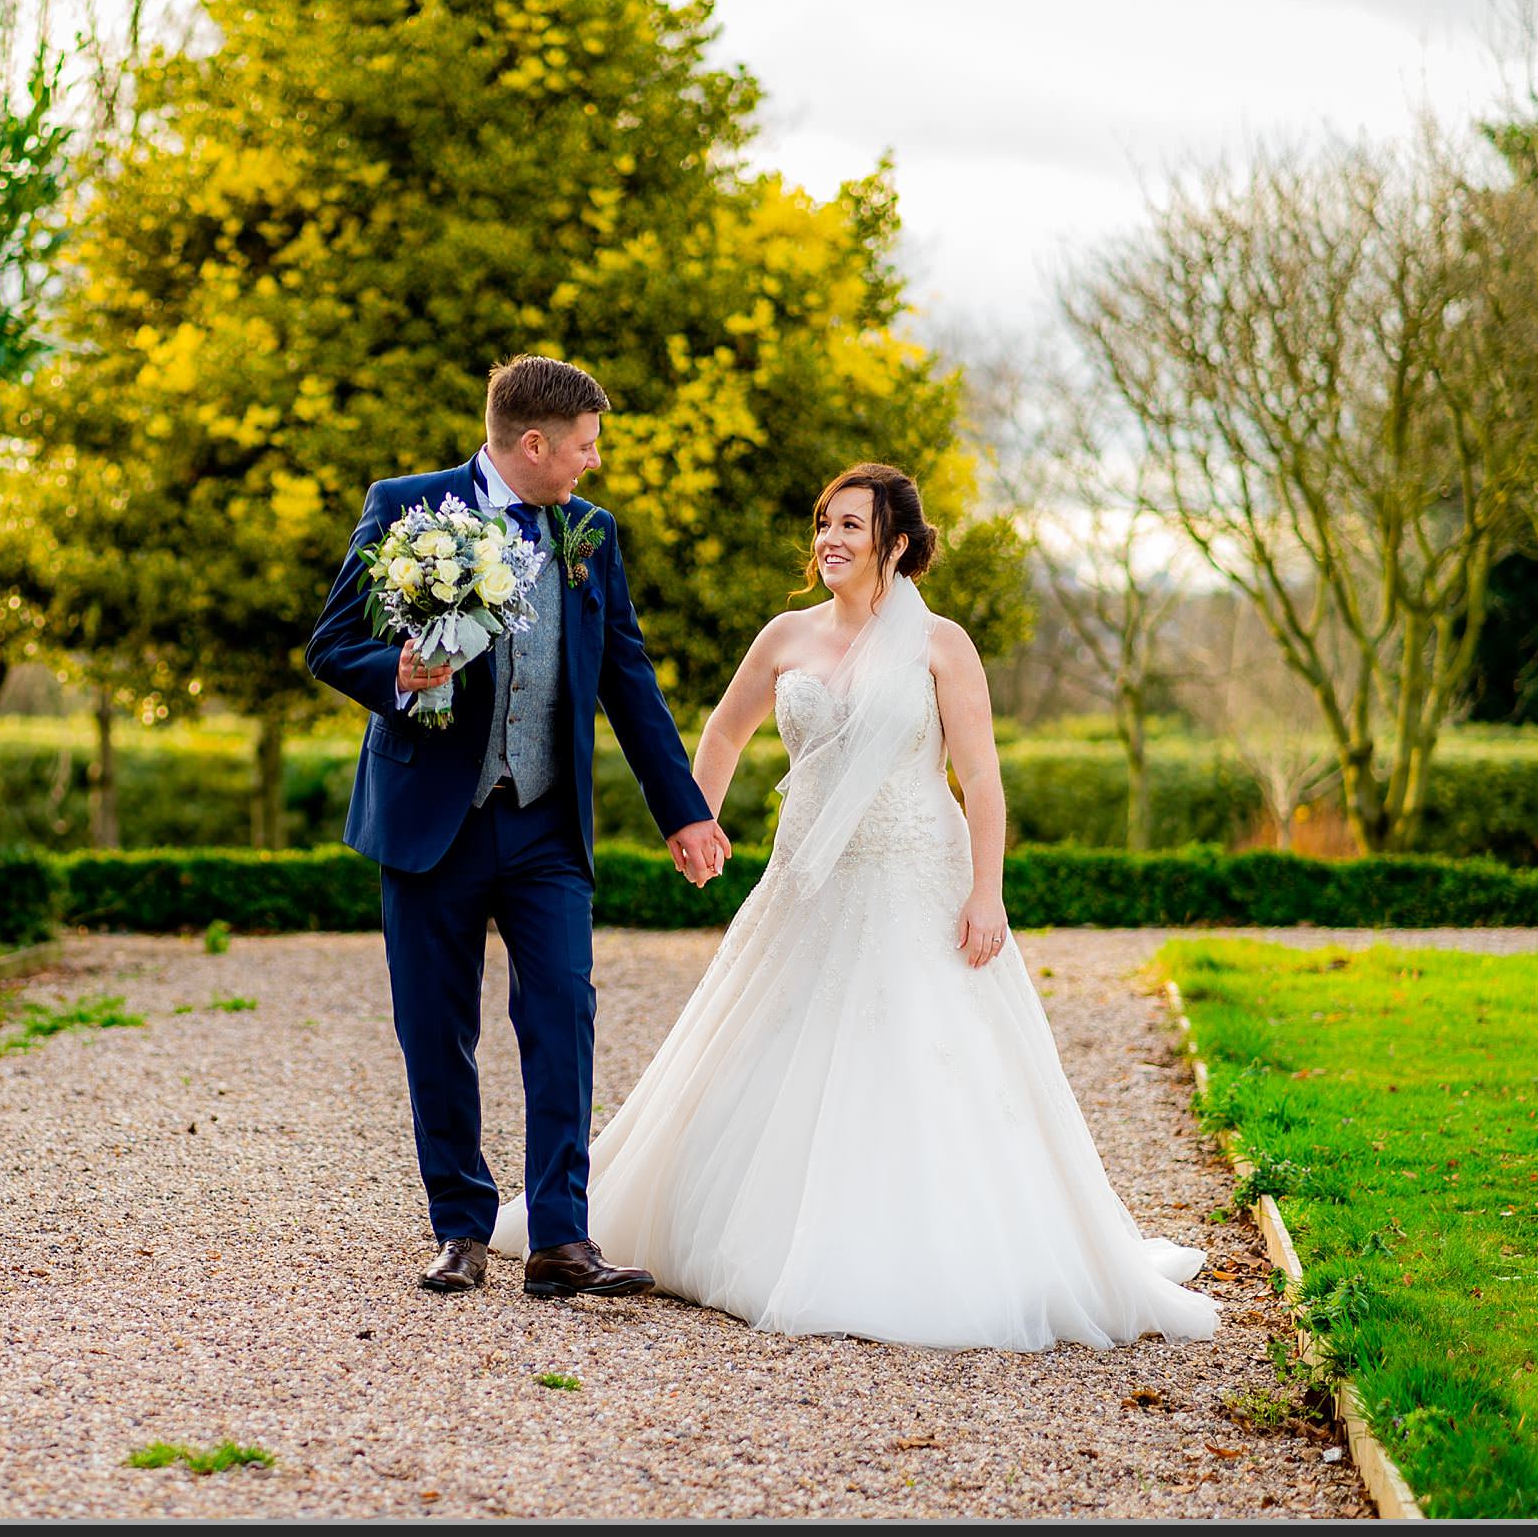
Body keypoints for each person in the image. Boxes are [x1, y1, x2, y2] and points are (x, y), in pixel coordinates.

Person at [486, 463, 1220, 1350]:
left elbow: (980, 779)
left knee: (919, 1056)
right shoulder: (786, 635)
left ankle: (911, 1251)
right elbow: (722, 730)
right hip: (806, 882)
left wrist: (988, 894)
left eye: (852, 527)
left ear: (895, 545)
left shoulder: (942, 645)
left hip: (918, 879)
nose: (831, 539)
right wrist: (699, 822)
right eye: (825, 522)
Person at [307, 354, 732, 1300]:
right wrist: (399, 676)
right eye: (583, 448)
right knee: (435, 1031)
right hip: (430, 820)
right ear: (532, 443)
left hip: (544, 825)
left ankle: (559, 1241)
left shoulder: (589, 533)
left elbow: (628, 675)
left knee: (562, 1019)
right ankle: (460, 1227)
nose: (592, 466)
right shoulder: (406, 508)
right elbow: (333, 643)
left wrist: (685, 813)